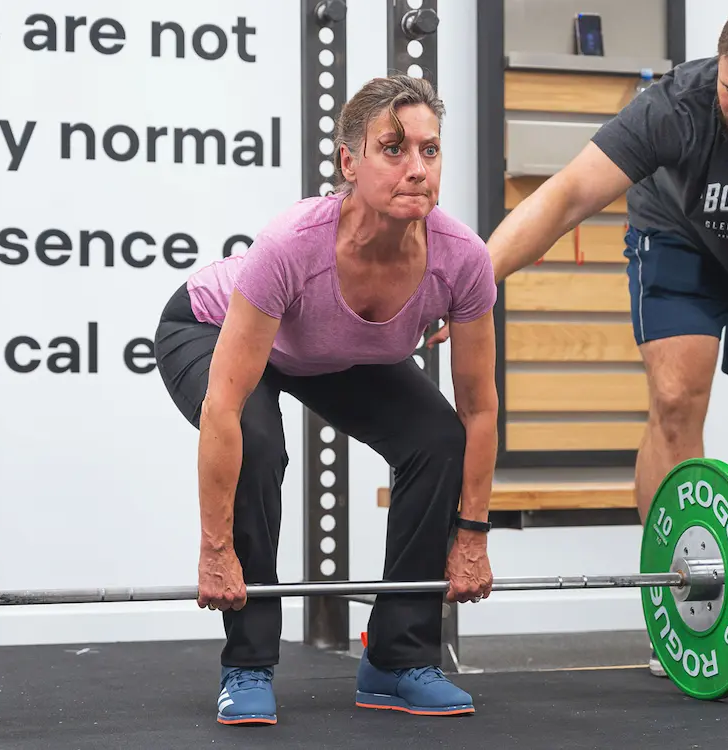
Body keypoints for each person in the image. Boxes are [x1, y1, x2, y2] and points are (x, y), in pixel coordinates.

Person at [430, 0, 728, 676]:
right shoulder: (677, 106)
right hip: (679, 241)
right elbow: (566, 196)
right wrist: (471, 284)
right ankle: (683, 611)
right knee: (676, 400)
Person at [153, 74, 499, 726]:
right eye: (393, 149)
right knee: (258, 442)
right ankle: (248, 664)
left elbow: (478, 409)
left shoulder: (462, 259)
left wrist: (472, 534)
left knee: (436, 439)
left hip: (328, 352)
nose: (417, 168)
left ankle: (397, 660)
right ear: (349, 161)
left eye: (429, 150)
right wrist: (215, 548)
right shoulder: (293, 244)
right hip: (209, 328)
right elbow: (223, 407)